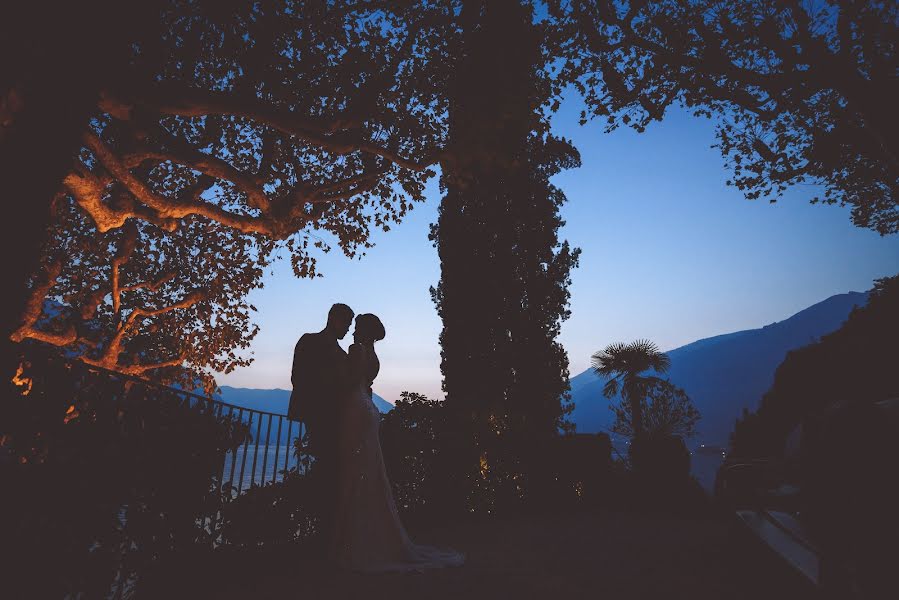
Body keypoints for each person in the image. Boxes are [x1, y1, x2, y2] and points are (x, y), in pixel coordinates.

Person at [330, 313, 465, 572]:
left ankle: (349, 543)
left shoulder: (356, 350)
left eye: (356, 326)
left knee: (352, 472)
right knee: (368, 472)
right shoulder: (372, 354)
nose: (353, 331)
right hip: (368, 408)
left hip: (354, 408)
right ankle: (366, 539)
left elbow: (347, 383)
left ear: (363, 330)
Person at [289, 303, 354, 545]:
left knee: (332, 470)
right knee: (328, 469)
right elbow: (298, 377)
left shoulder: (342, 354)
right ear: (333, 319)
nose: (347, 329)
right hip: (319, 416)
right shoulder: (309, 341)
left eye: (349, 325)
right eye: (345, 323)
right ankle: (324, 532)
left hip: (337, 418)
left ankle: (329, 532)